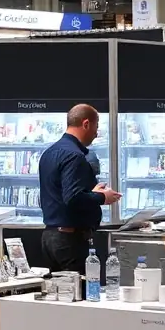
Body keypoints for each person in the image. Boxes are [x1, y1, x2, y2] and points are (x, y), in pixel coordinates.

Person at [39, 104, 121, 275]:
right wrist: (102, 198)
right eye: (96, 127)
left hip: (50, 237)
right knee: (79, 295)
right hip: (70, 240)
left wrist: (93, 192)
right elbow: (73, 198)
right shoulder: (74, 156)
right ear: (86, 124)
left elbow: (59, 193)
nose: (96, 133)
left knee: (59, 296)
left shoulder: (49, 153)